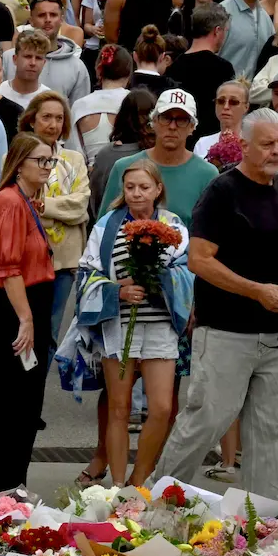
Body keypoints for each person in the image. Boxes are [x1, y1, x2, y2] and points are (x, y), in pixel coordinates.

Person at [147, 108, 278, 503]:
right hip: (225, 332)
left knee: (275, 431)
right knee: (205, 422)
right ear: (243, 145)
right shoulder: (222, 191)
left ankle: (259, 526)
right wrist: (257, 290)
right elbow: (199, 260)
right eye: (267, 143)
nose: (277, 151)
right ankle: (155, 506)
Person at [75, 153, 193, 487]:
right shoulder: (107, 225)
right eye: (130, 187)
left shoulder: (174, 227)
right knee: (119, 407)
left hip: (160, 325)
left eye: (144, 187)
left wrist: (162, 282)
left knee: (160, 407)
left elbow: (188, 272)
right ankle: (115, 485)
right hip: (119, 324)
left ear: (158, 189)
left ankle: (139, 479)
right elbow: (86, 274)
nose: (137, 193)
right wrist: (117, 291)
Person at [0, 133, 62, 515]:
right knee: (12, 400)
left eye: (49, 161)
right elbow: (8, 270)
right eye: (41, 160)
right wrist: (26, 319)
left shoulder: (23, 202)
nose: (46, 167)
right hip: (14, 306)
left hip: (26, 302)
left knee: (24, 402)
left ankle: (10, 483)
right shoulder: (9, 202)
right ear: (19, 162)